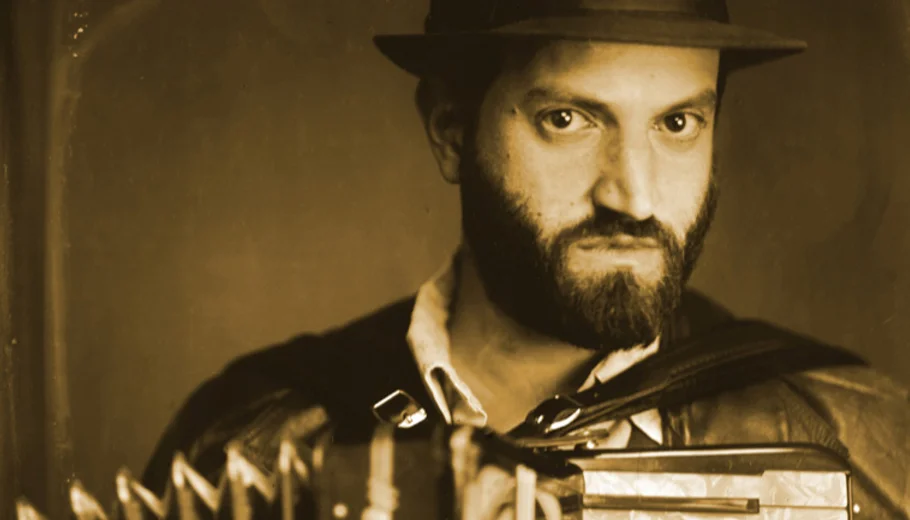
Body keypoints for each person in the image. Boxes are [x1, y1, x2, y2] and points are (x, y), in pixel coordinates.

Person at [142, 0, 910, 516]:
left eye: (677, 122)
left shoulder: (855, 439)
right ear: (450, 128)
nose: (634, 196)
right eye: (568, 119)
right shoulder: (259, 434)